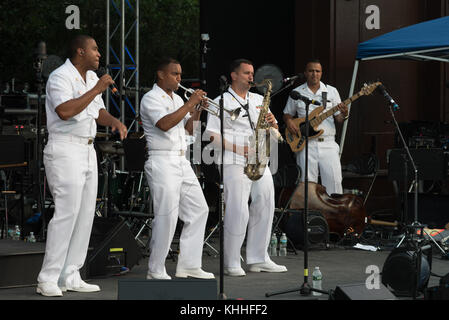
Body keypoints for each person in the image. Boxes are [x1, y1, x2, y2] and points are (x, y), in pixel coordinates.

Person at [37, 35, 128, 297]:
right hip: (64, 147)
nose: (99, 54)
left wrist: (115, 122)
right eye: (95, 49)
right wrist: (97, 89)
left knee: (86, 213)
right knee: (67, 213)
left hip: (88, 149)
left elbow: (98, 112)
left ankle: (71, 273)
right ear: (80, 51)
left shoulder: (90, 79)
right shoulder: (60, 77)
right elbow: (65, 111)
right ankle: (48, 278)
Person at [205, 58, 287, 276]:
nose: (252, 77)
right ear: (234, 75)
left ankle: (259, 258)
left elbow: (275, 129)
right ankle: (232, 261)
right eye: (247, 73)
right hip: (234, 159)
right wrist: (238, 148)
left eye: (252, 73)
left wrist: (273, 123)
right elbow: (211, 135)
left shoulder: (259, 99)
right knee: (238, 209)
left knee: (266, 203)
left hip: (259, 157)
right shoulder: (220, 101)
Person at [140, 57, 214, 280]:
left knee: (199, 209)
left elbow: (189, 131)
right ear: (161, 74)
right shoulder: (151, 98)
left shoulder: (177, 100)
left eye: (180, 74)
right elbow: (164, 125)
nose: (179, 79)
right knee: (167, 215)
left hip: (181, 160)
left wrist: (198, 111)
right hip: (162, 160)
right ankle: (155, 268)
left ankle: (189, 265)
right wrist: (190, 104)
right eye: (175, 74)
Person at [283, 59, 348, 195]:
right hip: (306, 144)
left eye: (317, 71)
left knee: (334, 182)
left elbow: (338, 119)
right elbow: (287, 114)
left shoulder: (331, 91)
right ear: (306, 73)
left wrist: (344, 114)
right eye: (311, 71)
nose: (314, 74)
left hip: (328, 143)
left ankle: (333, 214)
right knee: (306, 185)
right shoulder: (297, 92)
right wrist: (289, 122)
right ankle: (310, 215)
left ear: (321, 73)